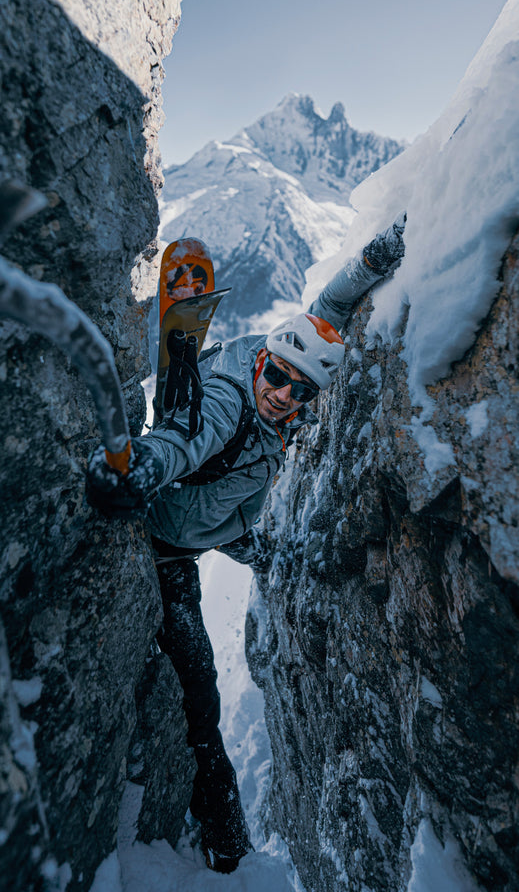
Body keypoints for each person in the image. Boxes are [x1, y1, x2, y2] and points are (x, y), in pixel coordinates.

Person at [86, 214, 406, 872]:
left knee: (197, 691)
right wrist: (139, 466)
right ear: (263, 359)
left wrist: (371, 266)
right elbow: (188, 442)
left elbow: (329, 310)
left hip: (199, 532)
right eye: (279, 377)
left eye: (300, 391)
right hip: (161, 545)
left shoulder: (285, 364)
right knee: (200, 699)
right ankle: (227, 846)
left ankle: (220, 836)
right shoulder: (233, 400)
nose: (283, 395)